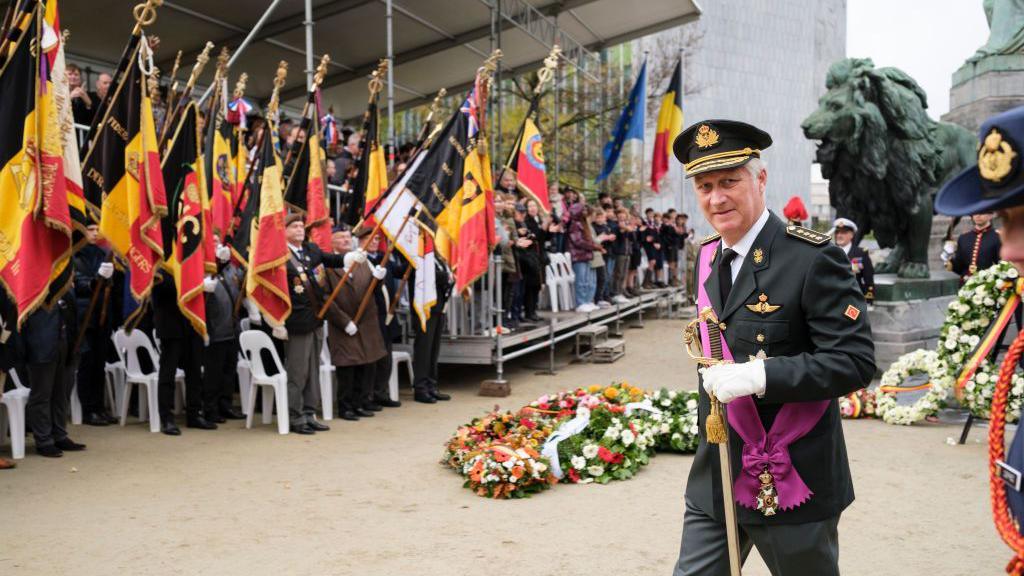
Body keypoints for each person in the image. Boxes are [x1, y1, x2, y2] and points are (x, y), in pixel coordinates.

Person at [671, 119, 875, 575]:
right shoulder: (706, 256)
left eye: (729, 181)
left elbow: (855, 361)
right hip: (719, 467)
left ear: (760, 179)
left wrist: (759, 376)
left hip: (791, 474)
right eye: (704, 186)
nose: (716, 198)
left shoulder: (812, 257)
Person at [282, 213, 346, 434]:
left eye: (301, 226)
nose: (300, 229)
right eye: (294, 226)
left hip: (317, 318)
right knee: (297, 371)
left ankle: (310, 412)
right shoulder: (280, 255)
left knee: (313, 369)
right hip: (296, 321)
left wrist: (350, 257)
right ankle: (295, 416)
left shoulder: (311, 250)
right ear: (284, 231)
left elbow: (331, 260)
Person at [322, 245, 388, 420]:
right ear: (333, 241)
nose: (345, 239)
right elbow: (325, 298)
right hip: (343, 323)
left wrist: (379, 279)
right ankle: (345, 406)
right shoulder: (329, 267)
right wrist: (344, 322)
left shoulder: (362, 262)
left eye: (347, 236)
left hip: (365, 321)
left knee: (363, 363)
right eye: (341, 237)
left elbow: (372, 289)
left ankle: (359, 403)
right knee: (347, 366)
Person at [20, 288, 86, 457]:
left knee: (61, 393)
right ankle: (44, 440)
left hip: (65, 341)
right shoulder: (31, 282)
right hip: (40, 343)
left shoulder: (62, 281)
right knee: (42, 394)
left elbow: (72, 309)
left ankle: (59, 435)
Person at [152, 269, 216, 435]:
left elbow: (202, 269)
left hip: (192, 321)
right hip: (170, 322)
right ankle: (166, 418)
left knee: (194, 370)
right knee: (168, 372)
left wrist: (220, 264)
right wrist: (197, 285)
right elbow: (162, 286)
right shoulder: (163, 258)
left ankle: (194, 414)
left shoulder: (188, 253)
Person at [73, 224, 118, 426]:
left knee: (99, 363)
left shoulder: (103, 253)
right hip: (84, 317)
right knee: (87, 364)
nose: (94, 233)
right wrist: (95, 280)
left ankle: (99, 407)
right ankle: (88, 409)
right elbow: (79, 284)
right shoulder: (75, 255)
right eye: (90, 229)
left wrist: (108, 278)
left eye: (97, 228)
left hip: (102, 315)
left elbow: (109, 285)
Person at [202, 241, 246, 422]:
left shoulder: (232, 269)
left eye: (218, 241)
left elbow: (243, 285)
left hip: (231, 327)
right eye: (212, 242)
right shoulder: (205, 267)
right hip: (214, 327)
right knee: (214, 371)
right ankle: (210, 408)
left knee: (229, 370)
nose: (217, 245)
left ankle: (225, 405)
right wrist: (218, 263)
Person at [945, 211, 1001, 281]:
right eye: (975, 212)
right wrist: (948, 258)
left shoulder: (998, 237)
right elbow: (960, 266)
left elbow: (1001, 265)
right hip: (966, 285)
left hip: (988, 284)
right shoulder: (964, 238)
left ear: (991, 215)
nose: (978, 215)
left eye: (982, 212)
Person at [567, 200, 601, 313]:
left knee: (586, 280)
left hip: (586, 255)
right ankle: (580, 302)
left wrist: (592, 246)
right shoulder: (574, 225)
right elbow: (578, 241)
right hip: (578, 256)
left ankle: (587, 301)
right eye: (583, 210)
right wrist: (593, 246)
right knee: (580, 280)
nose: (585, 212)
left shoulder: (583, 224)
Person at [831, 217, 875, 303]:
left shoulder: (861, 253)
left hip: (853, 299)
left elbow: (868, 278)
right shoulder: (830, 252)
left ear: (851, 235)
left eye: (843, 233)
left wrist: (868, 297)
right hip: (833, 299)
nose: (839, 235)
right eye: (837, 232)